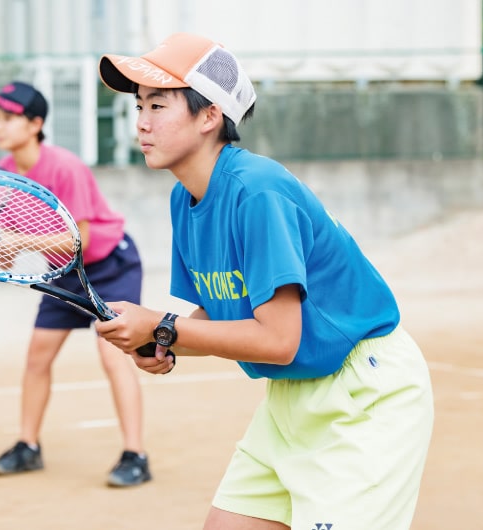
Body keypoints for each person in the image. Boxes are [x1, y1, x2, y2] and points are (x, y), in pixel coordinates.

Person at [94, 33, 434, 528]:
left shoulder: (257, 191)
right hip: (290, 396)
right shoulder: (185, 199)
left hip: (363, 394)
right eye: (140, 105)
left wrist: (164, 326)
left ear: (209, 116)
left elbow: (277, 340)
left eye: (159, 105)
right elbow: (222, 312)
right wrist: (159, 338)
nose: (142, 122)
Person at [0, 81, 152, 487]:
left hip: (111, 265)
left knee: (112, 355)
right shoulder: (3, 176)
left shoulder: (64, 166)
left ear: (37, 123)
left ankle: (135, 455)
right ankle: (28, 446)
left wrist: (19, 242)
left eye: (9, 118)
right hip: (62, 273)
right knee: (38, 356)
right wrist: (2, 255)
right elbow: (4, 250)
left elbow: (81, 239)